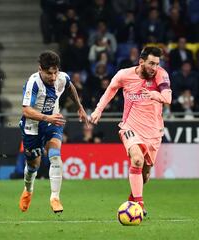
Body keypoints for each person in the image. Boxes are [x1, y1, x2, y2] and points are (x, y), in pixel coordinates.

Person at [90, 47, 172, 216]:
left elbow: (168, 98)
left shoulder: (161, 74)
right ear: (141, 61)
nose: (154, 67)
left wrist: (154, 95)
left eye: (157, 64)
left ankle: (132, 200)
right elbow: (110, 90)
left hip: (154, 131)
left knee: (146, 174)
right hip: (130, 127)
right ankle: (139, 205)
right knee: (136, 159)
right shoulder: (124, 75)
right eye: (151, 63)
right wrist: (98, 110)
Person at [18, 50, 88, 213]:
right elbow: (26, 110)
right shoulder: (33, 83)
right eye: (49, 73)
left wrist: (80, 107)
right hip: (32, 126)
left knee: (55, 155)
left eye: (55, 72)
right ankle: (28, 190)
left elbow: (70, 87)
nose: (54, 77)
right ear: (40, 69)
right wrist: (46, 118)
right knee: (33, 165)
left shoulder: (61, 77)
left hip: (53, 122)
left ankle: (55, 198)